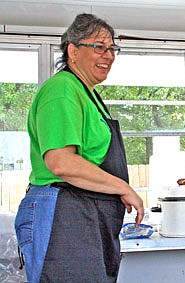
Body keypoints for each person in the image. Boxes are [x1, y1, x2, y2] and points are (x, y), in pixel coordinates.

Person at [14, 13, 145, 282]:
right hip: (63, 213)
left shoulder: (89, 95)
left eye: (112, 49)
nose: (108, 55)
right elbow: (62, 162)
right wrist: (123, 187)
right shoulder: (62, 89)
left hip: (84, 214)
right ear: (73, 51)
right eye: (99, 47)